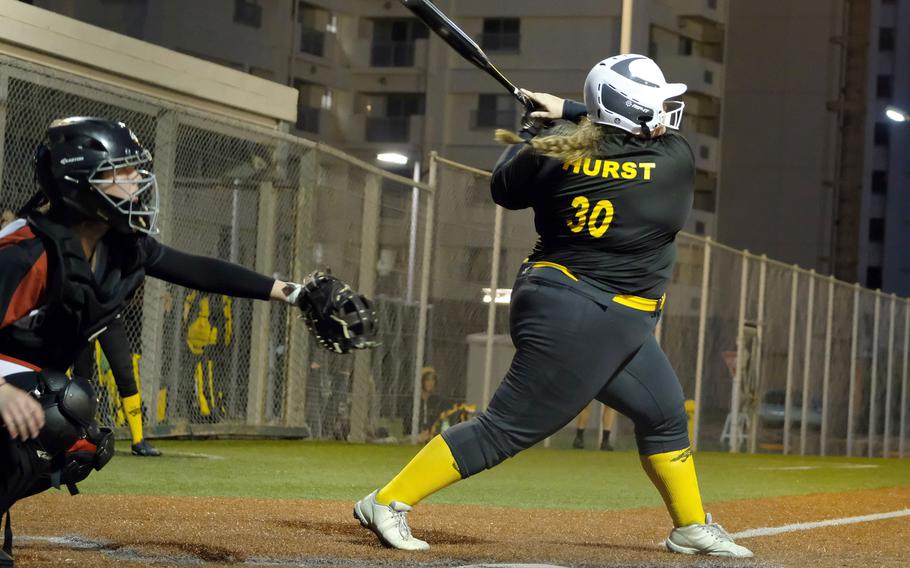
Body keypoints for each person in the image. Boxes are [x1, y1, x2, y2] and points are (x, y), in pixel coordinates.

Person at [353, 54, 752, 558]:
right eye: (656, 103)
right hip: (587, 316)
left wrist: (535, 129)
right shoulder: (672, 159)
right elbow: (606, 131)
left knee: (664, 413)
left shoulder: (552, 152)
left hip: (572, 304)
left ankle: (691, 527)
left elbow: (505, 189)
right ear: (630, 110)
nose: (667, 113)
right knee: (506, 428)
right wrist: (565, 109)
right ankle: (387, 501)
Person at [0, 116, 377, 566]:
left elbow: (197, 269)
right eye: (120, 172)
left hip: (16, 378)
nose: (137, 179)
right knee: (60, 405)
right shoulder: (27, 251)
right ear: (80, 183)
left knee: (84, 441)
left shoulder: (119, 246)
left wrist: (293, 293)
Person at [72, 316, 161, 456]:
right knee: (81, 376)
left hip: (108, 317)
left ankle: (138, 441)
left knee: (125, 373)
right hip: (85, 317)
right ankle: (81, 435)